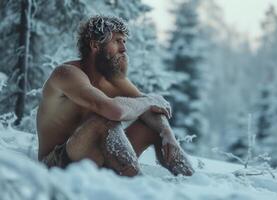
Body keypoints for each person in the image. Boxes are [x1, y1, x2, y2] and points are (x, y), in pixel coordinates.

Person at [36, 15, 194, 177]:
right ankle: (137, 186)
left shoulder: (113, 80)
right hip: (57, 164)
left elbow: (151, 109)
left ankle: (192, 183)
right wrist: (149, 100)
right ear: (95, 45)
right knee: (104, 120)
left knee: (152, 127)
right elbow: (115, 111)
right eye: (117, 41)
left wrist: (167, 133)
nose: (124, 49)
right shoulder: (67, 74)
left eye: (124, 42)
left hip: (97, 159)